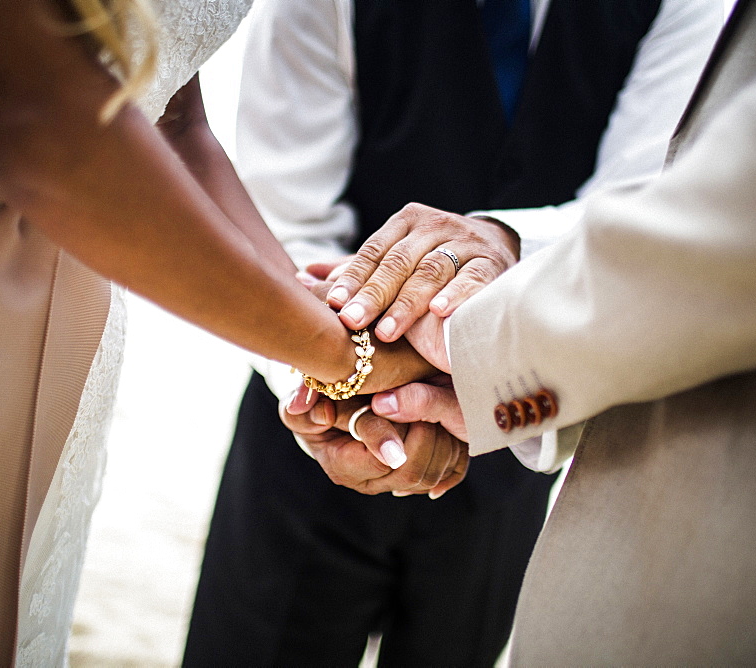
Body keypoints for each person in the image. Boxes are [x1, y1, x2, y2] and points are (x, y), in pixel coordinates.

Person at [288, 0, 756, 662]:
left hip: (534, 436)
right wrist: (332, 367)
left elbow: (667, 189)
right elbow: (285, 201)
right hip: (313, 440)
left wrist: (471, 347)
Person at [0, 1, 453, 664]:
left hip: (70, 328)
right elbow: (25, 112)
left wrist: (313, 361)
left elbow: (171, 118)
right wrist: (340, 353)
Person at [184, 0, 723, 665]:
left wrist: (505, 251)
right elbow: (287, 218)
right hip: (303, 450)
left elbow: (649, 203)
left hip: (520, 439)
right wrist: (338, 390)